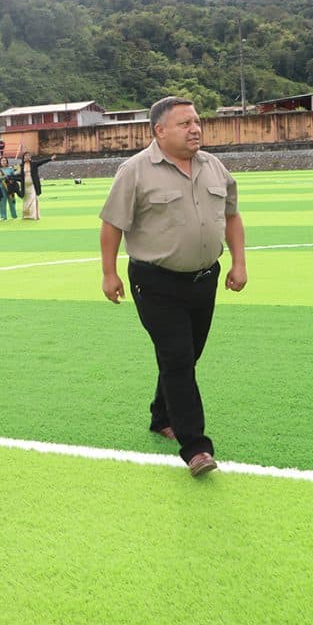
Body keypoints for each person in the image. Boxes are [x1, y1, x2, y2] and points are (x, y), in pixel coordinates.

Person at [99, 96, 247, 478]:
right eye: (185, 123)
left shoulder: (214, 167)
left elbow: (231, 217)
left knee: (187, 355)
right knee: (179, 357)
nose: (195, 128)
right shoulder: (135, 171)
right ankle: (195, 446)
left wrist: (239, 263)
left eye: (197, 122)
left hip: (204, 279)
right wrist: (109, 273)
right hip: (156, 281)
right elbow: (112, 224)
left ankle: (161, 415)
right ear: (159, 130)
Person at [18, 151, 55, 221]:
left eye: (28, 156)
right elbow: (19, 175)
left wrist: (50, 159)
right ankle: (26, 215)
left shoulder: (34, 164)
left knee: (33, 199)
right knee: (25, 200)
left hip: (32, 185)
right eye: (25, 156)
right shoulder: (21, 166)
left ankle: (34, 215)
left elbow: (41, 161)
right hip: (25, 185)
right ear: (23, 158)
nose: (27, 157)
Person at [0, 156, 20, 220]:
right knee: (2, 202)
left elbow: (14, 176)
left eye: (5, 160)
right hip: (2, 187)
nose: (3, 162)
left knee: (12, 201)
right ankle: (3, 216)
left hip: (10, 187)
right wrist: (4, 177)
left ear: (7, 162)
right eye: (2, 161)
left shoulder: (10, 169)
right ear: (0, 162)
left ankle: (14, 215)